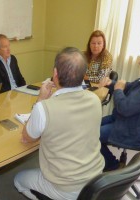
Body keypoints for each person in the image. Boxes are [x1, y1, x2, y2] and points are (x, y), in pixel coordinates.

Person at [14, 47, 104, 199]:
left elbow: (26, 137)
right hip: (96, 179)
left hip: (65, 189)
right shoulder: (95, 100)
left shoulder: (44, 108)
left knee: (18, 179)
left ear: (55, 73)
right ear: (84, 75)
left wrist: (40, 99)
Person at [99, 43, 140, 171]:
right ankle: (102, 162)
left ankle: (114, 167)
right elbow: (130, 87)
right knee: (88, 126)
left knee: (91, 135)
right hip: (126, 120)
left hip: (135, 129)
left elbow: (125, 108)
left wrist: (118, 90)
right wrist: (111, 83)